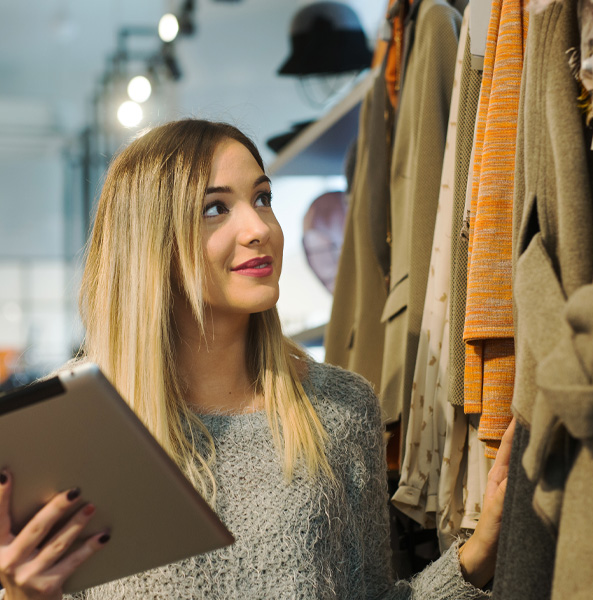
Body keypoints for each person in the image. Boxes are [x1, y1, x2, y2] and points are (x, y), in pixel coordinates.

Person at [0, 119, 513, 600]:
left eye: (262, 198)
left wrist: (478, 553)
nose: (260, 227)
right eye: (216, 208)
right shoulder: (69, 428)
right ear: (149, 243)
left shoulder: (338, 409)